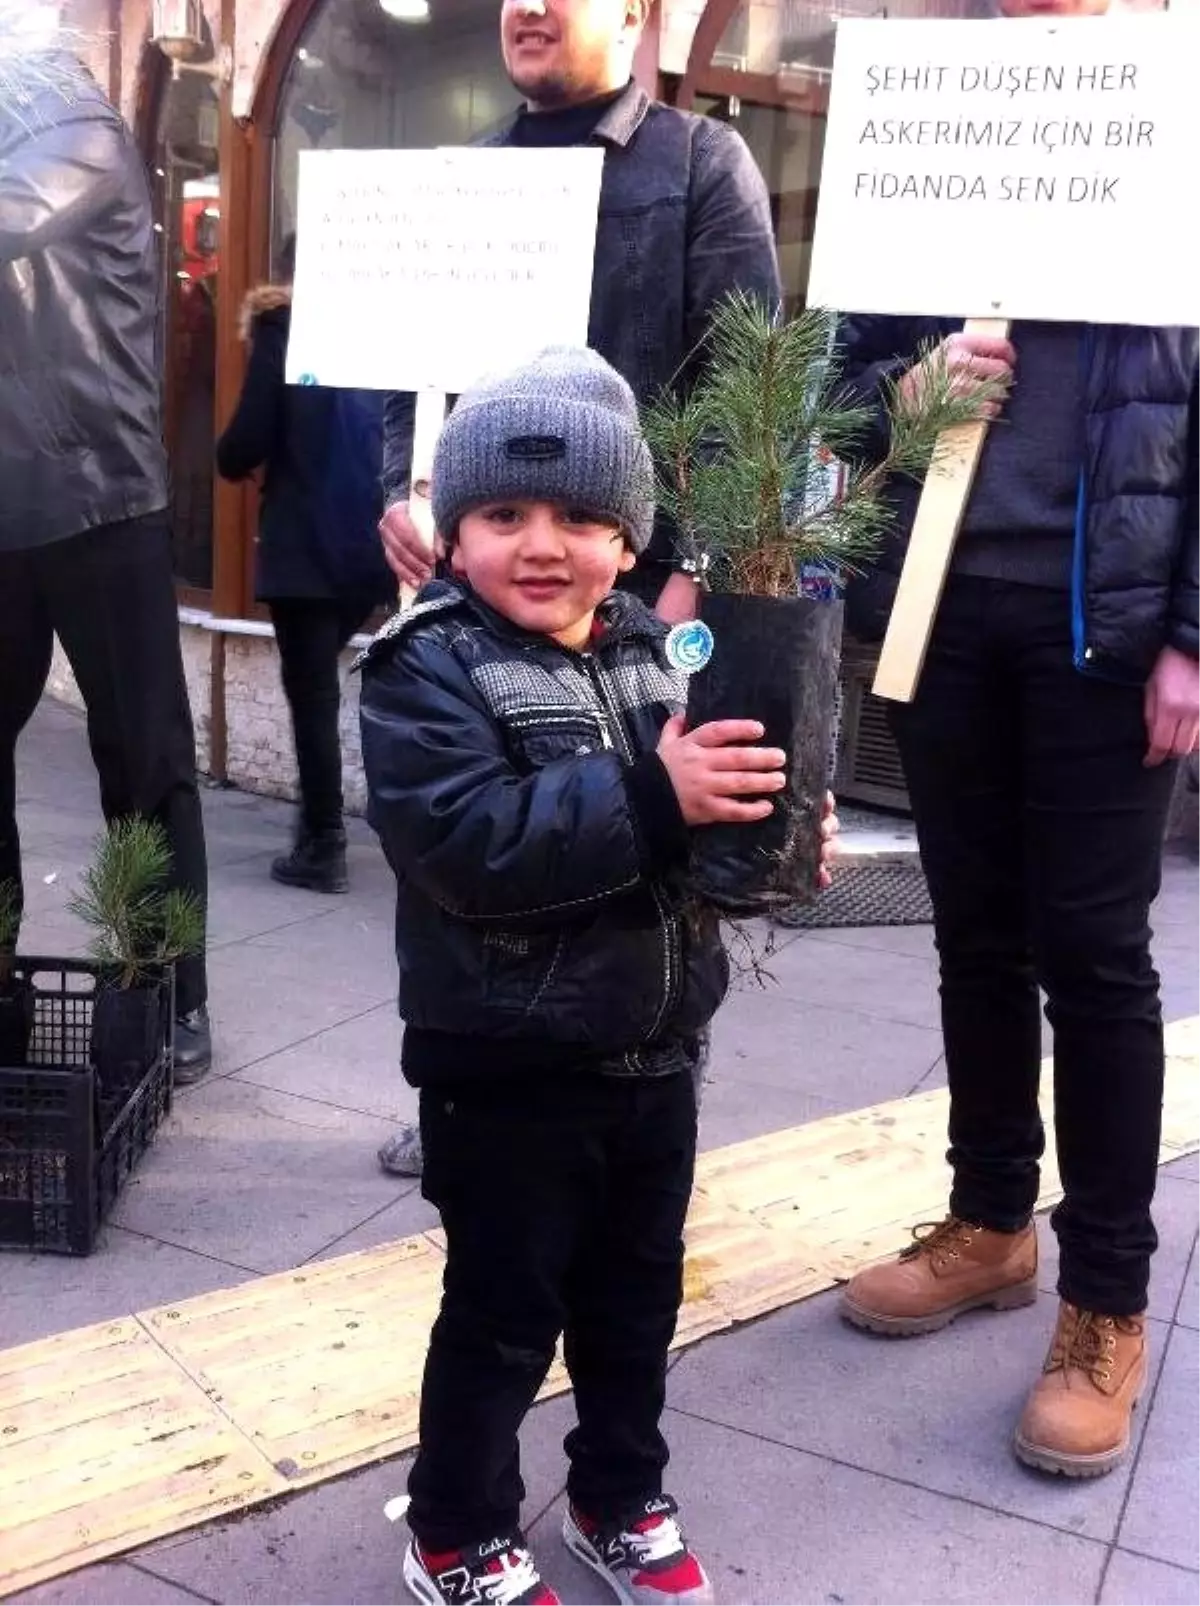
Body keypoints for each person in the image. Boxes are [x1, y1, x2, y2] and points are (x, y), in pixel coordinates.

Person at [835, 0, 1200, 1482]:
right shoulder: (921, 113)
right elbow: (839, 383)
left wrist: (1193, 632)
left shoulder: (1171, 120)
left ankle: (1105, 1298)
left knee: (1097, 959)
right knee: (974, 936)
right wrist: (908, 399)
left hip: (1104, 632)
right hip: (941, 611)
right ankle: (991, 1224)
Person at [359, 347, 789, 1606]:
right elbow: (468, 843)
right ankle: (456, 1526)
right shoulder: (424, 664)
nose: (543, 545)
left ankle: (616, 1494)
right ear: (453, 530)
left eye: (584, 517)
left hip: (656, 1053)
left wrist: (771, 835)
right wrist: (662, 793)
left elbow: (700, 835)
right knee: (500, 1315)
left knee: (635, 1297)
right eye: (503, 514)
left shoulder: (661, 650)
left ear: (630, 534)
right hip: (507, 1066)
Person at [375, 0, 782, 1177]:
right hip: (479, 599)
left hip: (641, 605)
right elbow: (400, 371)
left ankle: (648, 1097)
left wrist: (696, 575)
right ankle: (484, 1091)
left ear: (634, 15)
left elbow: (746, 381)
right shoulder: (466, 178)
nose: (525, 8)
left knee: (638, 848)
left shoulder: (703, 162)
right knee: (486, 846)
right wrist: (397, 495)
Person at [0, 5, 212, 1079]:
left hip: (100, 497)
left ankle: (170, 990)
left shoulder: (73, 124)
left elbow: (10, 218)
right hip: (3, 505)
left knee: (143, 760)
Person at [216, 241, 395, 894]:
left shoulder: (283, 327)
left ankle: (322, 842)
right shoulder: (385, 334)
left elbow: (247, 439)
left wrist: (229, 456)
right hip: (372, 541)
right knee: (357, 681)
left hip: (305, 544)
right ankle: (347, 823)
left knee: (314, 694)